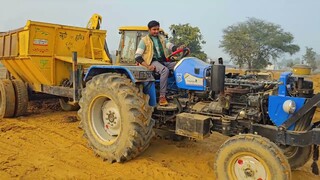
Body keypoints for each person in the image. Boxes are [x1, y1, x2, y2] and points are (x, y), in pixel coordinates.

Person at [135, 20, 183, 106]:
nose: (156, 31)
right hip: (151, 62)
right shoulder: (144, 41)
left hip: (162, 61)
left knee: (180, 65)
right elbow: (137, 56)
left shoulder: (161, 38)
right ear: (149, 30)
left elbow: (169, 45)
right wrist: (148, 66)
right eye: (154, 29)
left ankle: (183, 91)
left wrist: (177, 48)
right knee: (165, 70)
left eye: (157, 29)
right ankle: (162, 96)